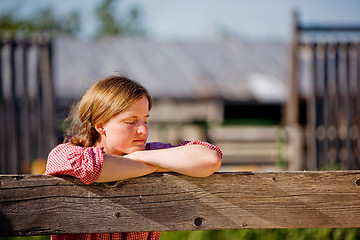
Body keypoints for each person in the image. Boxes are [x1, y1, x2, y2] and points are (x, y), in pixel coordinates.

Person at [45, 75, 223, 240]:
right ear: (100, 126)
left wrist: (140, 156)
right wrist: (150, 164)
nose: (143, 130)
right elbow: (91, 167)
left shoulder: (148, 153)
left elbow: (210, 158)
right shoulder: (66, 154)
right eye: (131, 122)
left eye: (145, 120)